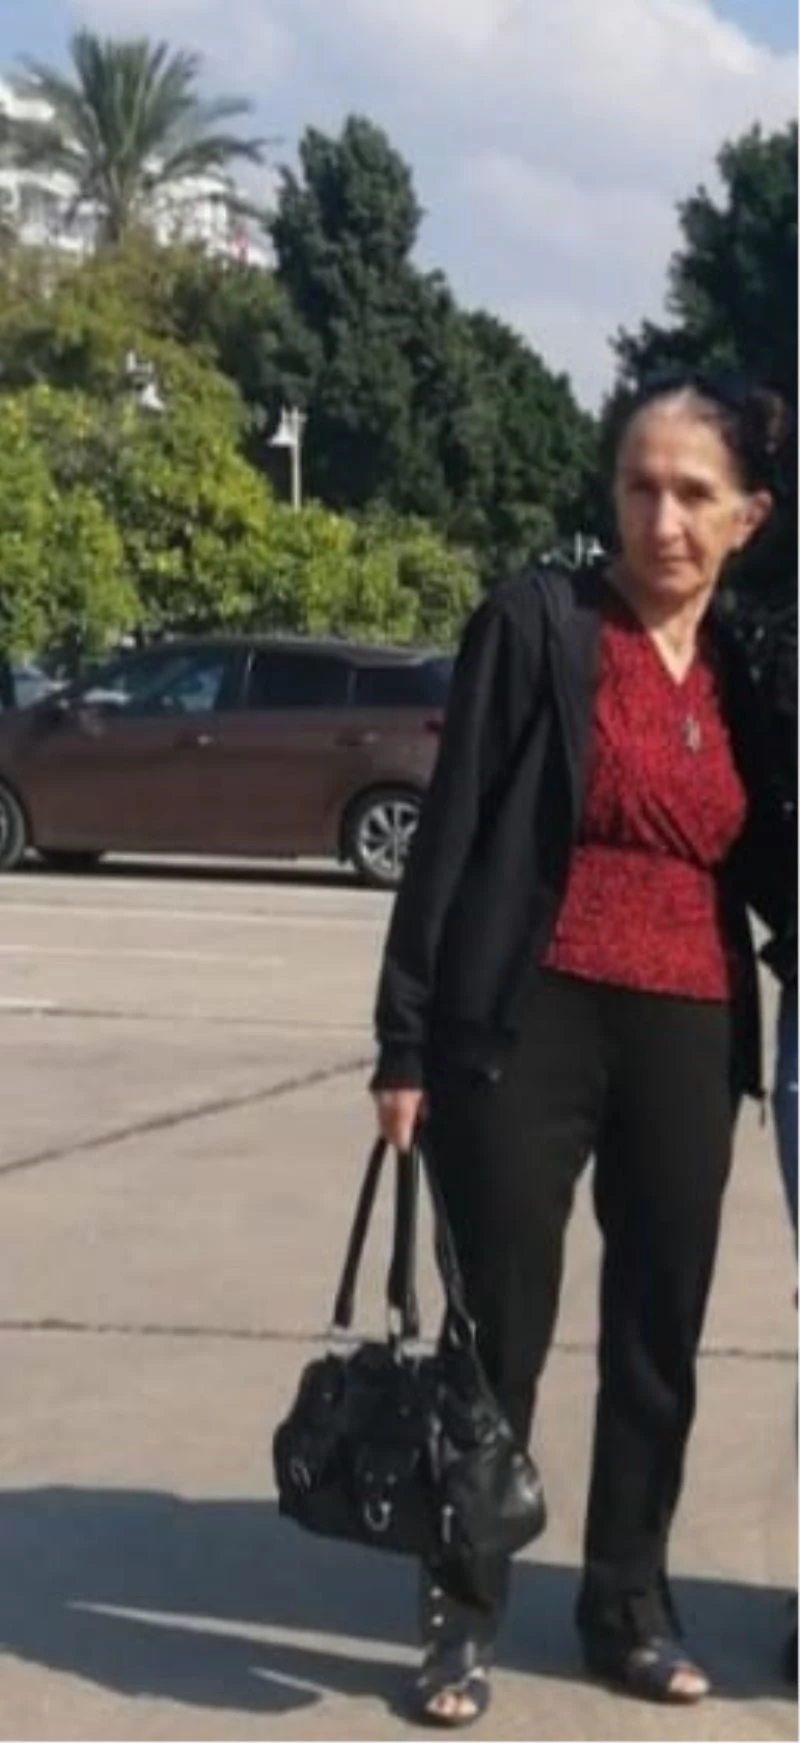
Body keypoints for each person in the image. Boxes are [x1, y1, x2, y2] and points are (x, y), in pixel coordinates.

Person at [371, 371, 788, 1725]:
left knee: (658, 1335)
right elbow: (450, 830)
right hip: (530, 1015)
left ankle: (628, 1606)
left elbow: (765, 853)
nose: (661, 519)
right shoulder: (539, 621)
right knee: (499, 1331)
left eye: (694, 494)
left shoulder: (742, 668)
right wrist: (404, 1037)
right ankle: (463, 1611)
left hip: (692, 1027)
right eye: (638, 486)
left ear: (748, 517)